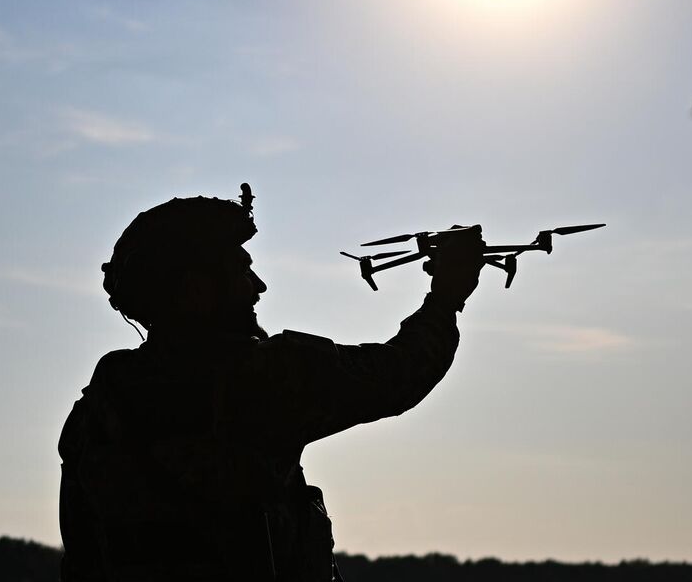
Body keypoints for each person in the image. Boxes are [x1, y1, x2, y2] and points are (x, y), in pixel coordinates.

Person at [59, 186, 483, 582]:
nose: (259, 287)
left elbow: (81, 553)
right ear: (195, 292)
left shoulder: (99, 407)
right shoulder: (261, 377)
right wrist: (446, 297)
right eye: (242, 272)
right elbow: (398, 374)